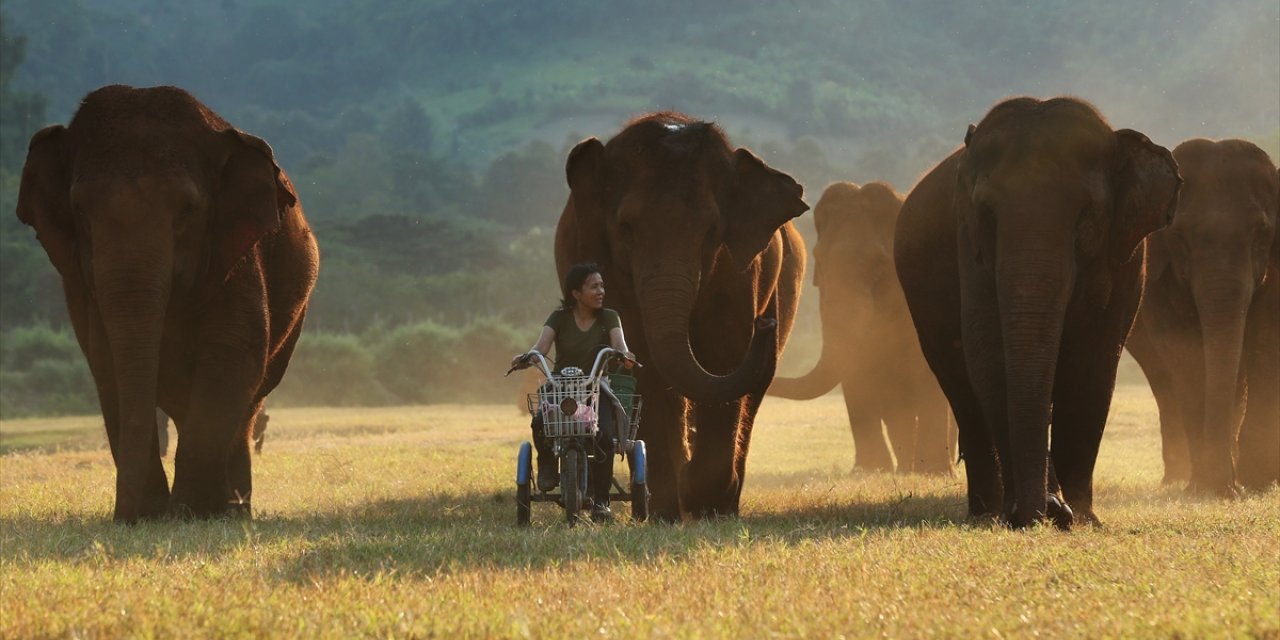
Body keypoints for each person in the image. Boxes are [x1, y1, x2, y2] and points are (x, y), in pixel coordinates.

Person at [511, 262, 635, 522]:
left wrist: (625, 355)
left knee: (604, 437)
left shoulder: (609, 316)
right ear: (576, 294)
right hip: (560, 387)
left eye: (602, 285)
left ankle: (601, 502)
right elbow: (540, 348)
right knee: (541, 422)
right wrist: (526, 358)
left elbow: (619, 344)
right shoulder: (559, 318)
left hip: (594, 387)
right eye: (594, 286)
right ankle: (546, 462)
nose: (601, 291)